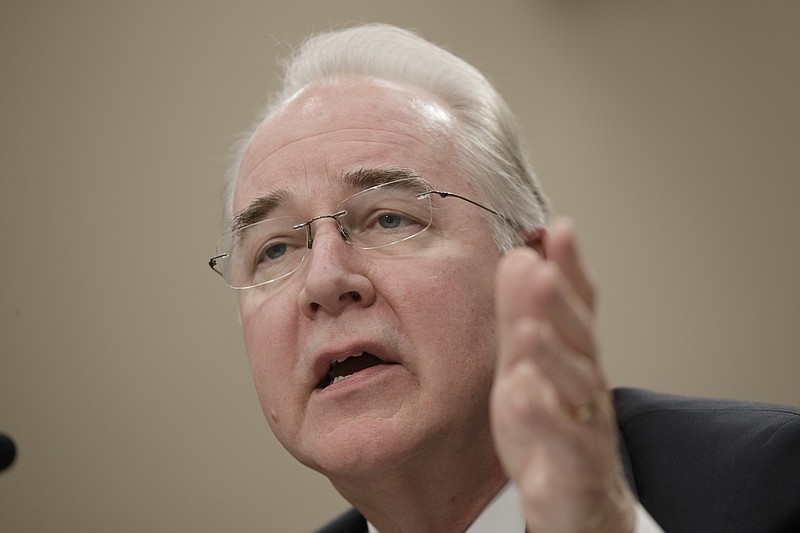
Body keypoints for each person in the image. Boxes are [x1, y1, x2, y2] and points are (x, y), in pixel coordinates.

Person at [208, 24, 800, 532]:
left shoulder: (768, 486)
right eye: (275, 249)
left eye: (389, 218)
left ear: (532, 277)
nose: (324, 280)